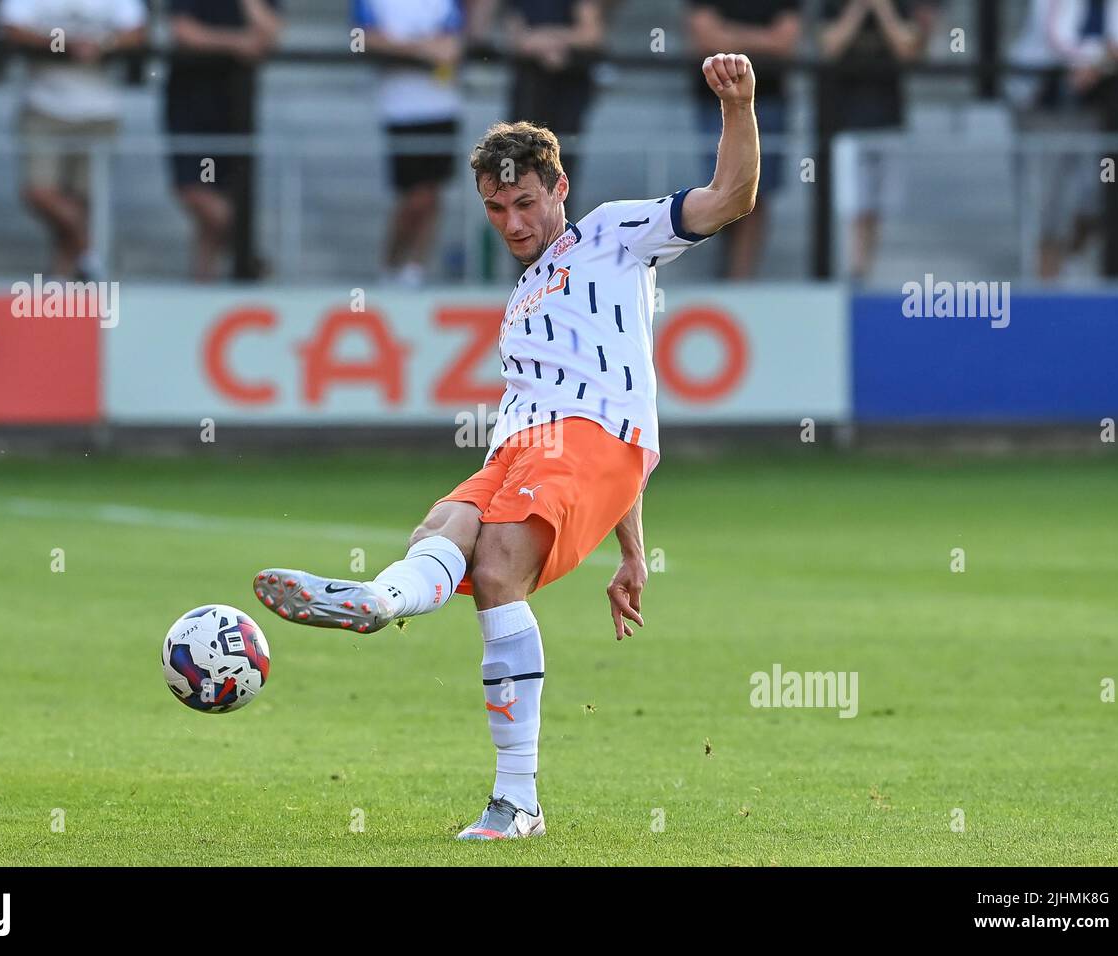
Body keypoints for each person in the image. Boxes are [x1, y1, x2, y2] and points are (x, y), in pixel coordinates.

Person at [252, 53, 758, 840]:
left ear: (559, 187)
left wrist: (739, 105)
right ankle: (377, 602)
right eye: (495, 208)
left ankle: (518, 801)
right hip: (520, 450)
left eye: (525, 201)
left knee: (496, 570)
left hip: (587, 439)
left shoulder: (615, 234)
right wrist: (632, 550)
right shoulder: (523, 294)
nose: (513, 222)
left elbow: (731, 197)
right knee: (441, 533)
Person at [0, 0, 147, 280]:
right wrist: (63, 43)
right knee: (39, 193)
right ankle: (92, 251)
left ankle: (62, 279)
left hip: (99, 110)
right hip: (44, 105)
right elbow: (11, 28)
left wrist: (102, 43)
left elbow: (138, 32)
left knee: (83, 200)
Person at [1007, 0, 1118, 280]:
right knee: (1048, 205)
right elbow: (1056, 38)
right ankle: (1045, 286)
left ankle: (1072, 259)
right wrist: (1100, 57)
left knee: (1101, 191)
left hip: (1101, 115)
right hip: (1046, 110)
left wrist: (1098, 62)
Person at [819, 0, 936, 282]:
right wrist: (858, 9)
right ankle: (854, 270)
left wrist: (882, 9)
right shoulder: (834, 5)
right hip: (847, 122)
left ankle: (870, 272)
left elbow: (908, 50)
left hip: (889, 120)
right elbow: (830, 47)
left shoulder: (899, 5)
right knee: (853, 205)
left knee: (880, 207)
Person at [165, 0, 282, 282]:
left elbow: (271, 34)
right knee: (197, 191)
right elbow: (183, 32)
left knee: (215, 214)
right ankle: (247, 253)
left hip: (237, 108)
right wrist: (237, 43)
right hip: (191, 103)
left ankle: (204, 286)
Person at [352, 0, 464, 287]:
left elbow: (453, 43)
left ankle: (414, 270)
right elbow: (363, 39)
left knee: (431, 194)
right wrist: (422, 50)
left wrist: (401, 45)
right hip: (399, 107)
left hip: (441, 104)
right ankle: (391, 266)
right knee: (413, 198)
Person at [685, 0, 799, 279]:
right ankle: (722, 273)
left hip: (767, 101)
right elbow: (705, 36)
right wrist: (761, 41)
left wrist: (730, 42)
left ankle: (739, 279)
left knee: (754, 193)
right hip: (712, 99)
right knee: (716, 189)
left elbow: (785, 41)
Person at [500, 0, 605, 192]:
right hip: (530, 91)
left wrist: (544, 40)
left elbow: (591, 34)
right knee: (521, 159)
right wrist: (556, 43)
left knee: (562, 164)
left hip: (568, 90)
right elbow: (517, 39)